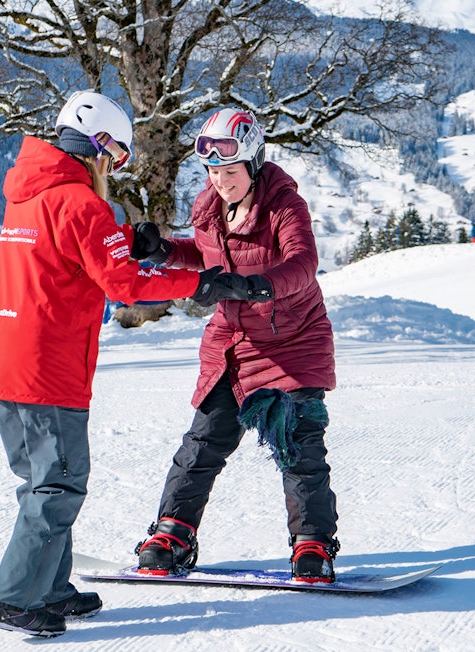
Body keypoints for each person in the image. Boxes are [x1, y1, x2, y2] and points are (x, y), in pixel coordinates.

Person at [0, 90, 227, 638]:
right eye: (114, 159)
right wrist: (200, 282)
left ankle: (50, 587)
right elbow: (124, 285)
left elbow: (73, 258)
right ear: (100, 146)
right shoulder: (81, 202)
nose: (113, 170)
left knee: (39, 480)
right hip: (49, 366)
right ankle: (13, 598)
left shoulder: (28, 194)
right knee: (59, 485)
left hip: (6, 363)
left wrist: (124, 242)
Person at [130, 107, 340, 583]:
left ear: (253, 164)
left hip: (291, 343)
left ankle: (312, 544)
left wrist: (253, 286)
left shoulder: (285, 206)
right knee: (204, 440)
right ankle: (173, 533)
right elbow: (201, 253)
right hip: (232, 343)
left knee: (298, 445)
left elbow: (304, 262)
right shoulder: (211, 206)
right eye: (213, 172)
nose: (220, 181)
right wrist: (163, 250)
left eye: (229, 171)